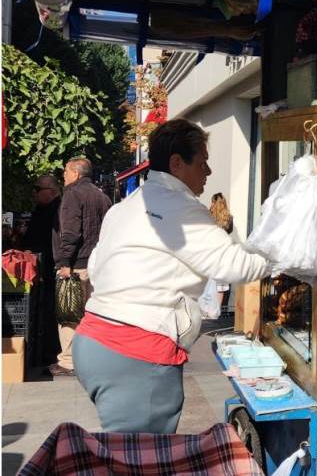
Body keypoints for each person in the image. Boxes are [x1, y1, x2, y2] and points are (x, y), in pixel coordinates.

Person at [73, 119, 269, 433]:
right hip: (134, 353)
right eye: (203, 163)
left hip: (93, 344)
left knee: (124, 454)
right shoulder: (181, 207)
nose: (208, 172)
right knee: (139, 460)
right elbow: (234, 265)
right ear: (177, 164)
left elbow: (96, 268)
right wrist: (283, 253)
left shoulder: (126, 206)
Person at [52, 158, 112, 376]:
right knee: (91, 314)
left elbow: (70, 231)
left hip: (76, 264)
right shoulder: (102, 196)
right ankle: (92, 360)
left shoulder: (72, 194)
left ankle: (68, 361)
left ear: (76, 173)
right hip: (97, 264)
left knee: (69, 314)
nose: (64, 175)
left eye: (66, 171)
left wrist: (64, 262)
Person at [22, 175, 62, 367]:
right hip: (39, 268)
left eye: (38, 189)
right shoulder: (42, 210)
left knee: (51, 311)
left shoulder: (57, 211)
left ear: (52, 191)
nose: (34, 193)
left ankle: (51, 351)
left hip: (49, 269)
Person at [210, 192, 234, 305]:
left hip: (211, 250)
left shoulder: (208, 215)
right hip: (224, 250)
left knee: (211, 281)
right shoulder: (229, 217)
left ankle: (211, 307)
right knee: (222, 283)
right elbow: (230, 231)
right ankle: (219, 308)